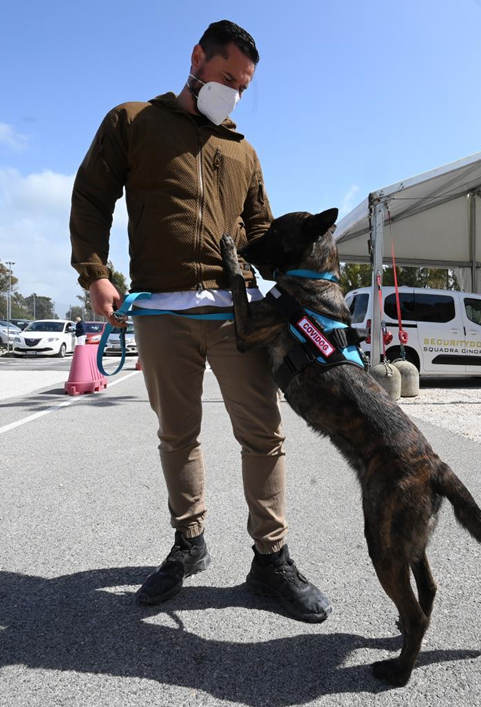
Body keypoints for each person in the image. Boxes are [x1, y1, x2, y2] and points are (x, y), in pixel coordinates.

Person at [69, 20, 331, 622]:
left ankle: (271, 559)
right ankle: (189, 543)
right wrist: (95, 272)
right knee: (177, 434)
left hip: (235, 314)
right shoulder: (134, 122)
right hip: (161, 313)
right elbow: (91, 195)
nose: (234, 93)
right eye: (228, 78)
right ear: (197, 58)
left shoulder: (243, 151)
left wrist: (306, 266)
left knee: (263, 434)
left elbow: (263, 236)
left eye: (243, 86)